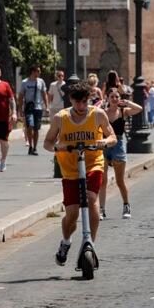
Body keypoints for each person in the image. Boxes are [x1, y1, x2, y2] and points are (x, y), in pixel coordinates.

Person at [43, 82, 116, 266]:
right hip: (70, 170)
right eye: (78, 102)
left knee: (92, 199)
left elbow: (113, 137)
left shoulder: (97, 114)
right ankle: (66, 242)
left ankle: (90, 242)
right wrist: (57, 147)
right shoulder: (61, 118)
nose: (82, 106)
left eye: (85, 102)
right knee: (72, 213)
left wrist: (104, 141)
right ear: (71, 100)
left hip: (93, 164)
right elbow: (47, 143)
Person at [98, 88, 142, 220]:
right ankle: (102, 210)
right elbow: (92, 112)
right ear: (107, 98)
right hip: (105, 144)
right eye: (112, 97)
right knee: (103, 181)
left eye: (117, 97)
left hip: (118, 145)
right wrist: (100, 105)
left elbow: (139, 108)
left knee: (119, 180)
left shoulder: (123, 111)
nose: (115, 99)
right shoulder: (103, 113)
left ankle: (126, 205)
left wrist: (127, 102)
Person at [18, 65, 47, 156]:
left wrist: (47, 106)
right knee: (30, 126)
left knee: (36, 128)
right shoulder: (25, 82)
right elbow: (21, 96)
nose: (39, 73)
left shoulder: (41, 82)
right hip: (29, 107)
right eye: (38, 71)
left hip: (38, 107)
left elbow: (44, 93)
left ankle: (35, 147)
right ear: (33, 71)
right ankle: (30, 145)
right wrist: (20, 108)